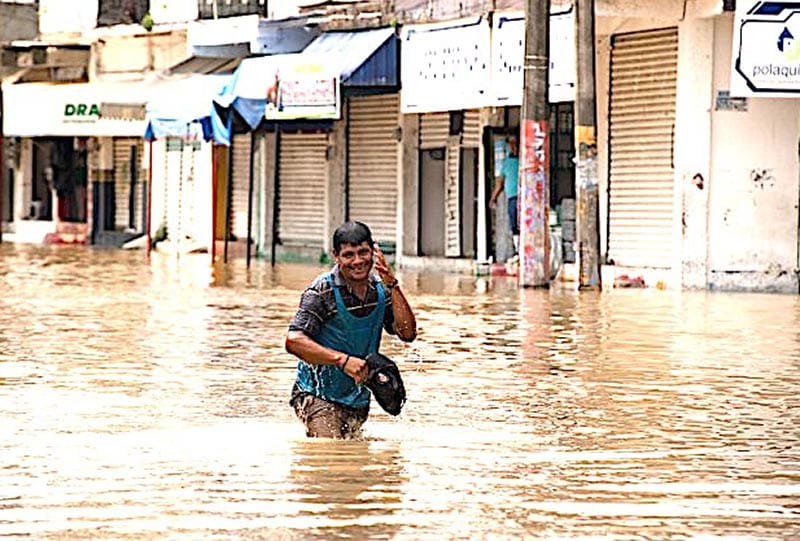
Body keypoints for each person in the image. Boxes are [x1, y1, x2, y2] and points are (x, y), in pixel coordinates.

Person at [285, 221, 417, 439]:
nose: (357, 261)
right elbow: (293, 341)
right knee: (330, 453)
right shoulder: (321, 291)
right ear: (336, 257)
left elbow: (407, 333)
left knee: (352, 456)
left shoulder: (381, 290)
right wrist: (342, 361)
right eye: (348, 255)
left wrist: (393, 284)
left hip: (357, 398)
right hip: (316, 395)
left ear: (374, 252)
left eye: (363, 252)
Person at [489, 134, 520, 256]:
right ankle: (518, 250)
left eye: (515, 143)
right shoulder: (507, 162)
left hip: (525, 198)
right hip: (512, 198)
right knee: (514, 226)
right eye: (510, 144)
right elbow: (499, 183)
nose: (513, 147)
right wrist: (493, 198)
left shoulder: (524, 161)